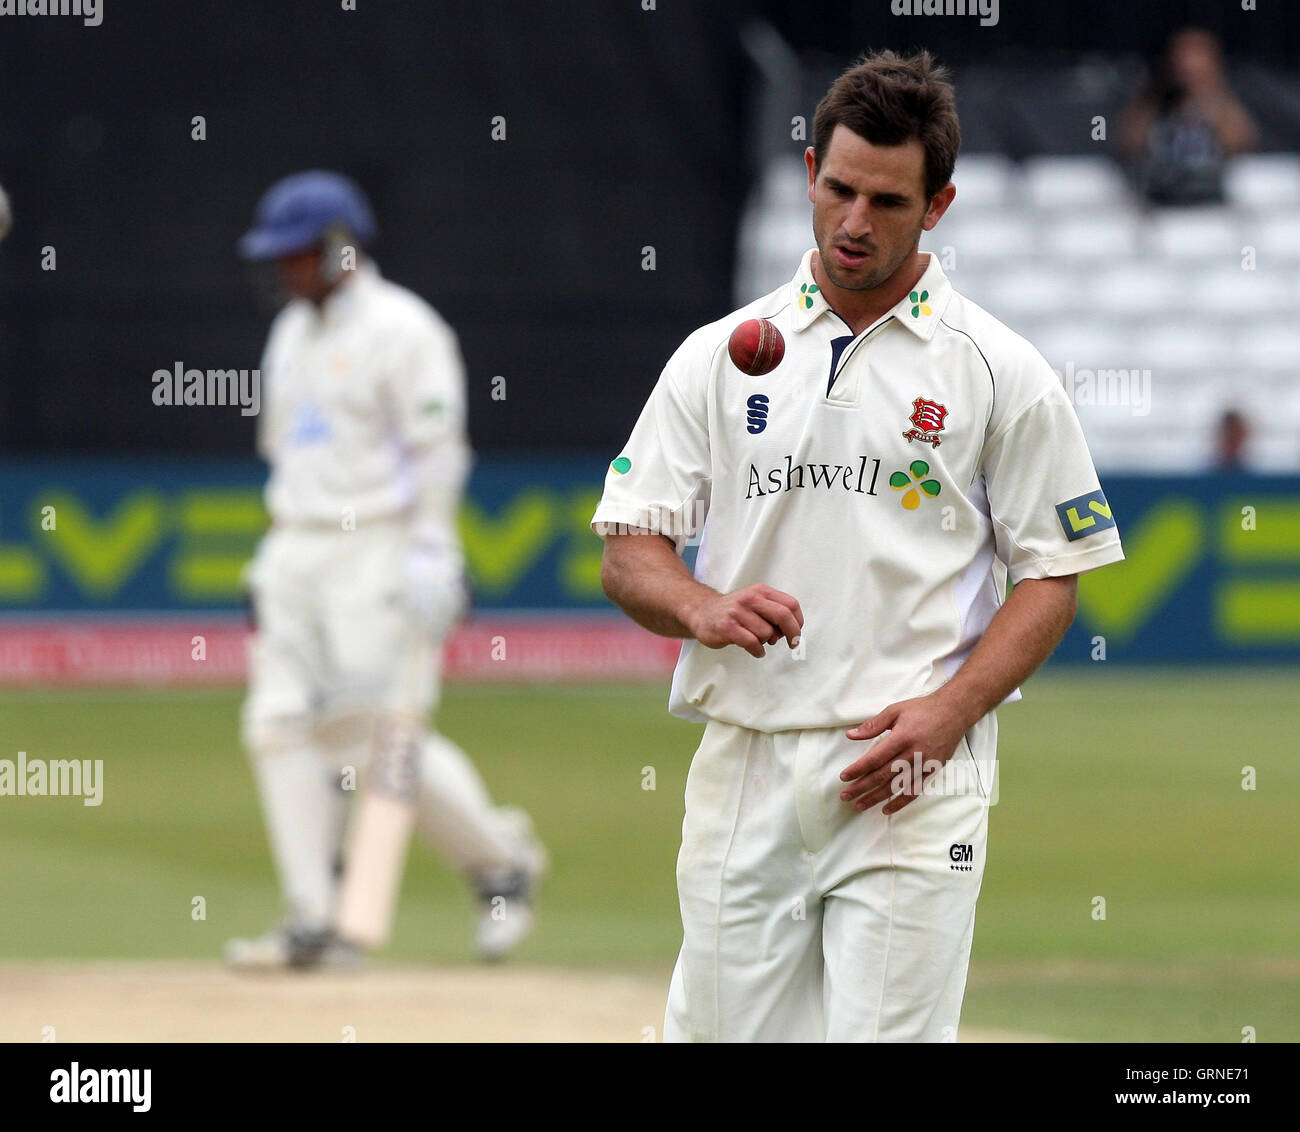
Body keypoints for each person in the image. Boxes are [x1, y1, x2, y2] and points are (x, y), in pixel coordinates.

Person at [591, 50, 1125, 1042]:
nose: (852, 222)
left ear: (938, 205)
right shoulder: (720, 355)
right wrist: (700, 606)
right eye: (837, 189)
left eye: (886, 201)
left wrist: (950, 712)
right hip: (746, 759)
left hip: (911, 775)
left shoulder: (997, 370)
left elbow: (1052, 574)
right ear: (807, 174)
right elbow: (630, 547)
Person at [226, 171, 545, 969]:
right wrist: (273, 555)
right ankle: (315, 921)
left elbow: (437, 450)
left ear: (340, 247)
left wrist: (435, 549)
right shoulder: (292, 335)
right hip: (297, 548)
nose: (284, 271)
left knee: (377, 739)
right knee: (275, 725)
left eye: (296, 255)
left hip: (379, 544)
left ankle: (501, 862)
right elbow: (285, 453)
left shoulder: (407, 329)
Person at [1120, 27, 1257, 207]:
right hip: (1158, 198)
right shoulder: (1154, 100)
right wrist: (1159, 93)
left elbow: (1241, 143)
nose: (1186, 63)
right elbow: (1128, 143)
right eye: (1181, 54)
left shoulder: (1223, 101)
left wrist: (1205, 91)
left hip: (1209, 200)